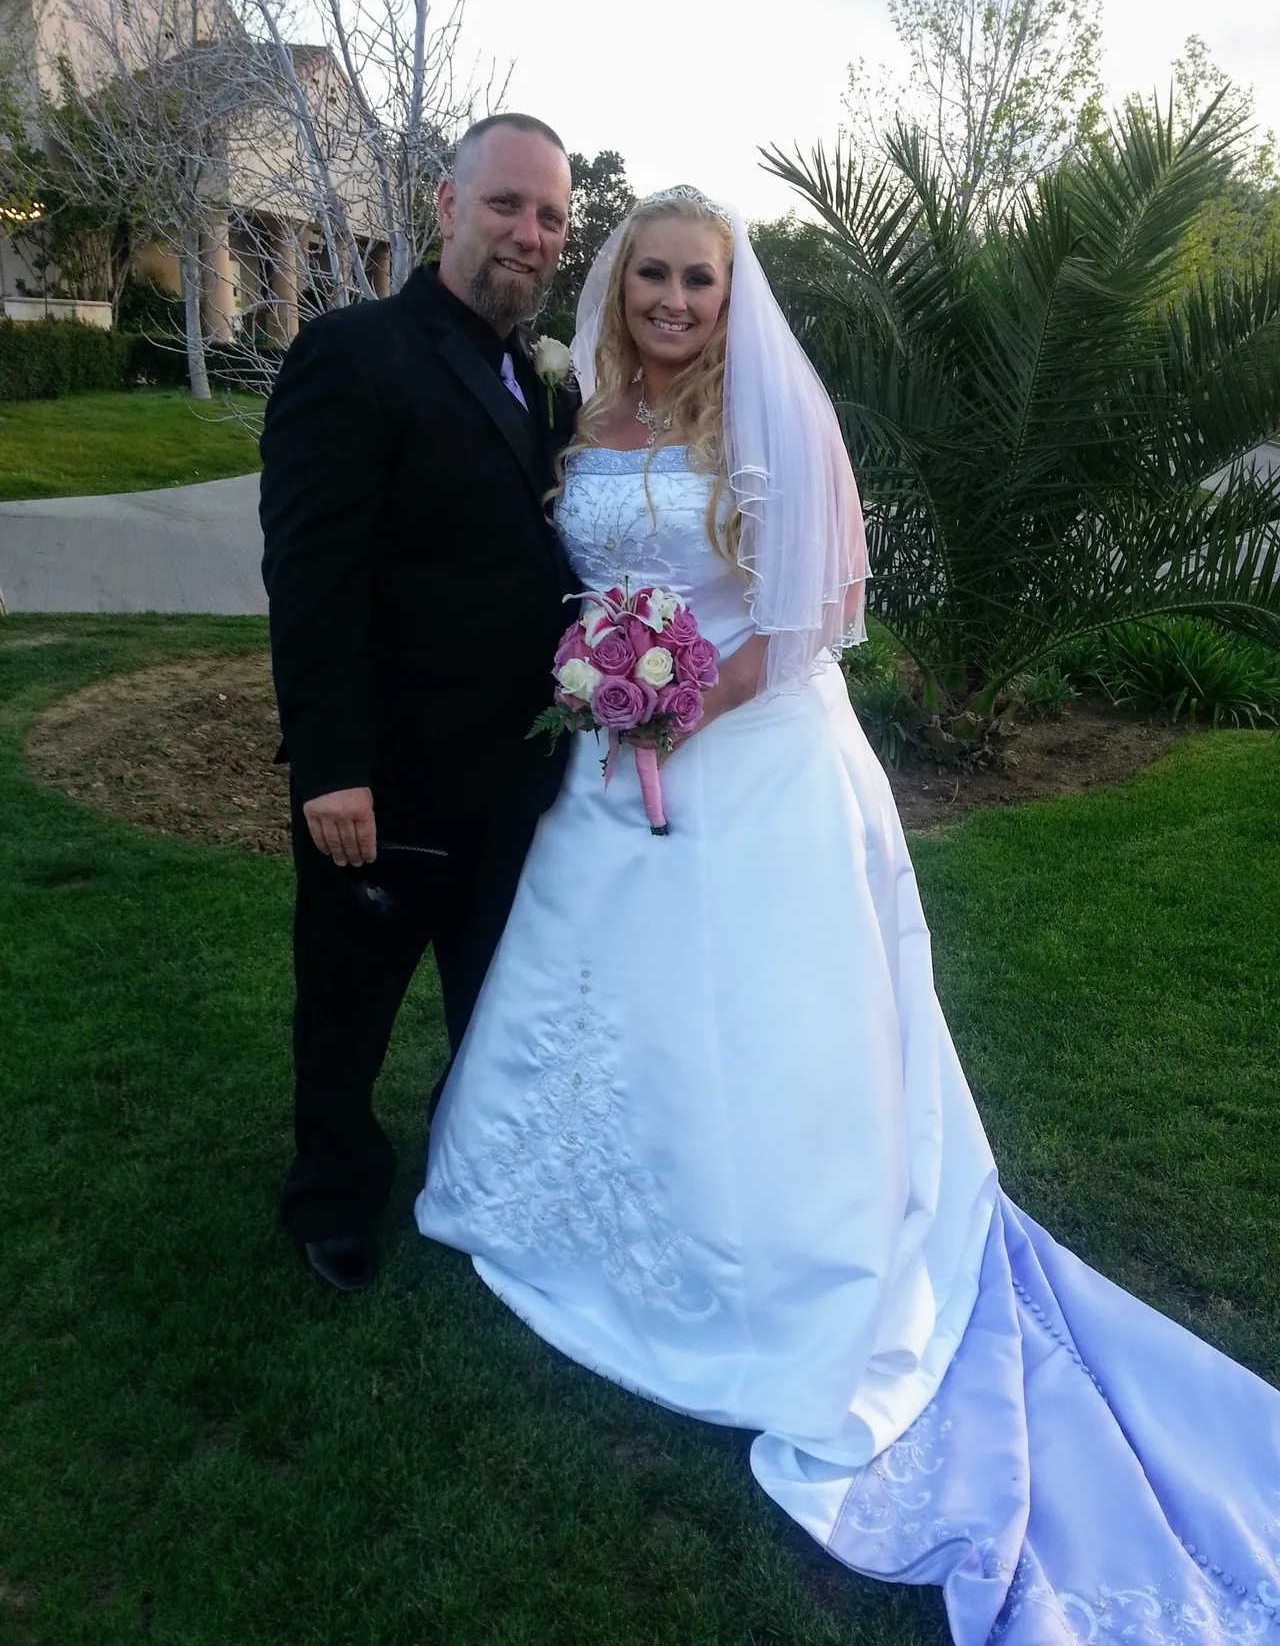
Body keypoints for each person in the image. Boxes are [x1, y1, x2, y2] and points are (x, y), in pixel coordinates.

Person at [415, 187, 1280, 1643]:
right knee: (610, 1002)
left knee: (765, 1028)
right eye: (653, 278)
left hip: (749, 766)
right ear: (617, 288)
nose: (676, 301)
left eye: (700, 279)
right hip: (613, 773)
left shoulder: (761, 419)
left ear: (730, 295)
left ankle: (778, 1272)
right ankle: (581, 1217)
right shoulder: (585, 415)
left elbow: (817, 603)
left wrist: (677, 697)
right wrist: (609, 684)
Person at [258, 113, 579, 1292]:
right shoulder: (352, 353)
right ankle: (333, 1192)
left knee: (492, 1010)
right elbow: (311, 572)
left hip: (516, 785)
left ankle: (468, 1165)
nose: (529, 233)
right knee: (346, 1007)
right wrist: (330, 763)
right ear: (445, 206)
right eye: (506, 204)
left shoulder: (546, 384)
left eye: (548, 216)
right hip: (386, 781)